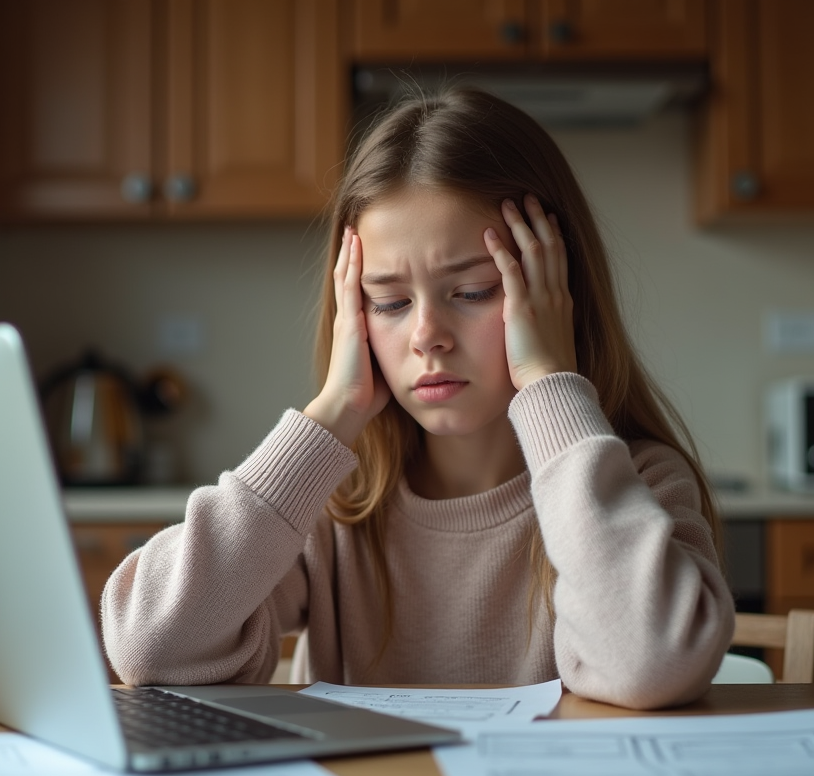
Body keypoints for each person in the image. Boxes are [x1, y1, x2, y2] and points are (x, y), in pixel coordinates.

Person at [101, 87, 734, 710]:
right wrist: (332, 412)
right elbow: (151, 648)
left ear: (555, 298)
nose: (426, 336)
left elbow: (653, 663)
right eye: (389, 302)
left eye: (475, 291)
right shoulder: (331, 505)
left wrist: (548, 383)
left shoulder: (639, 485)